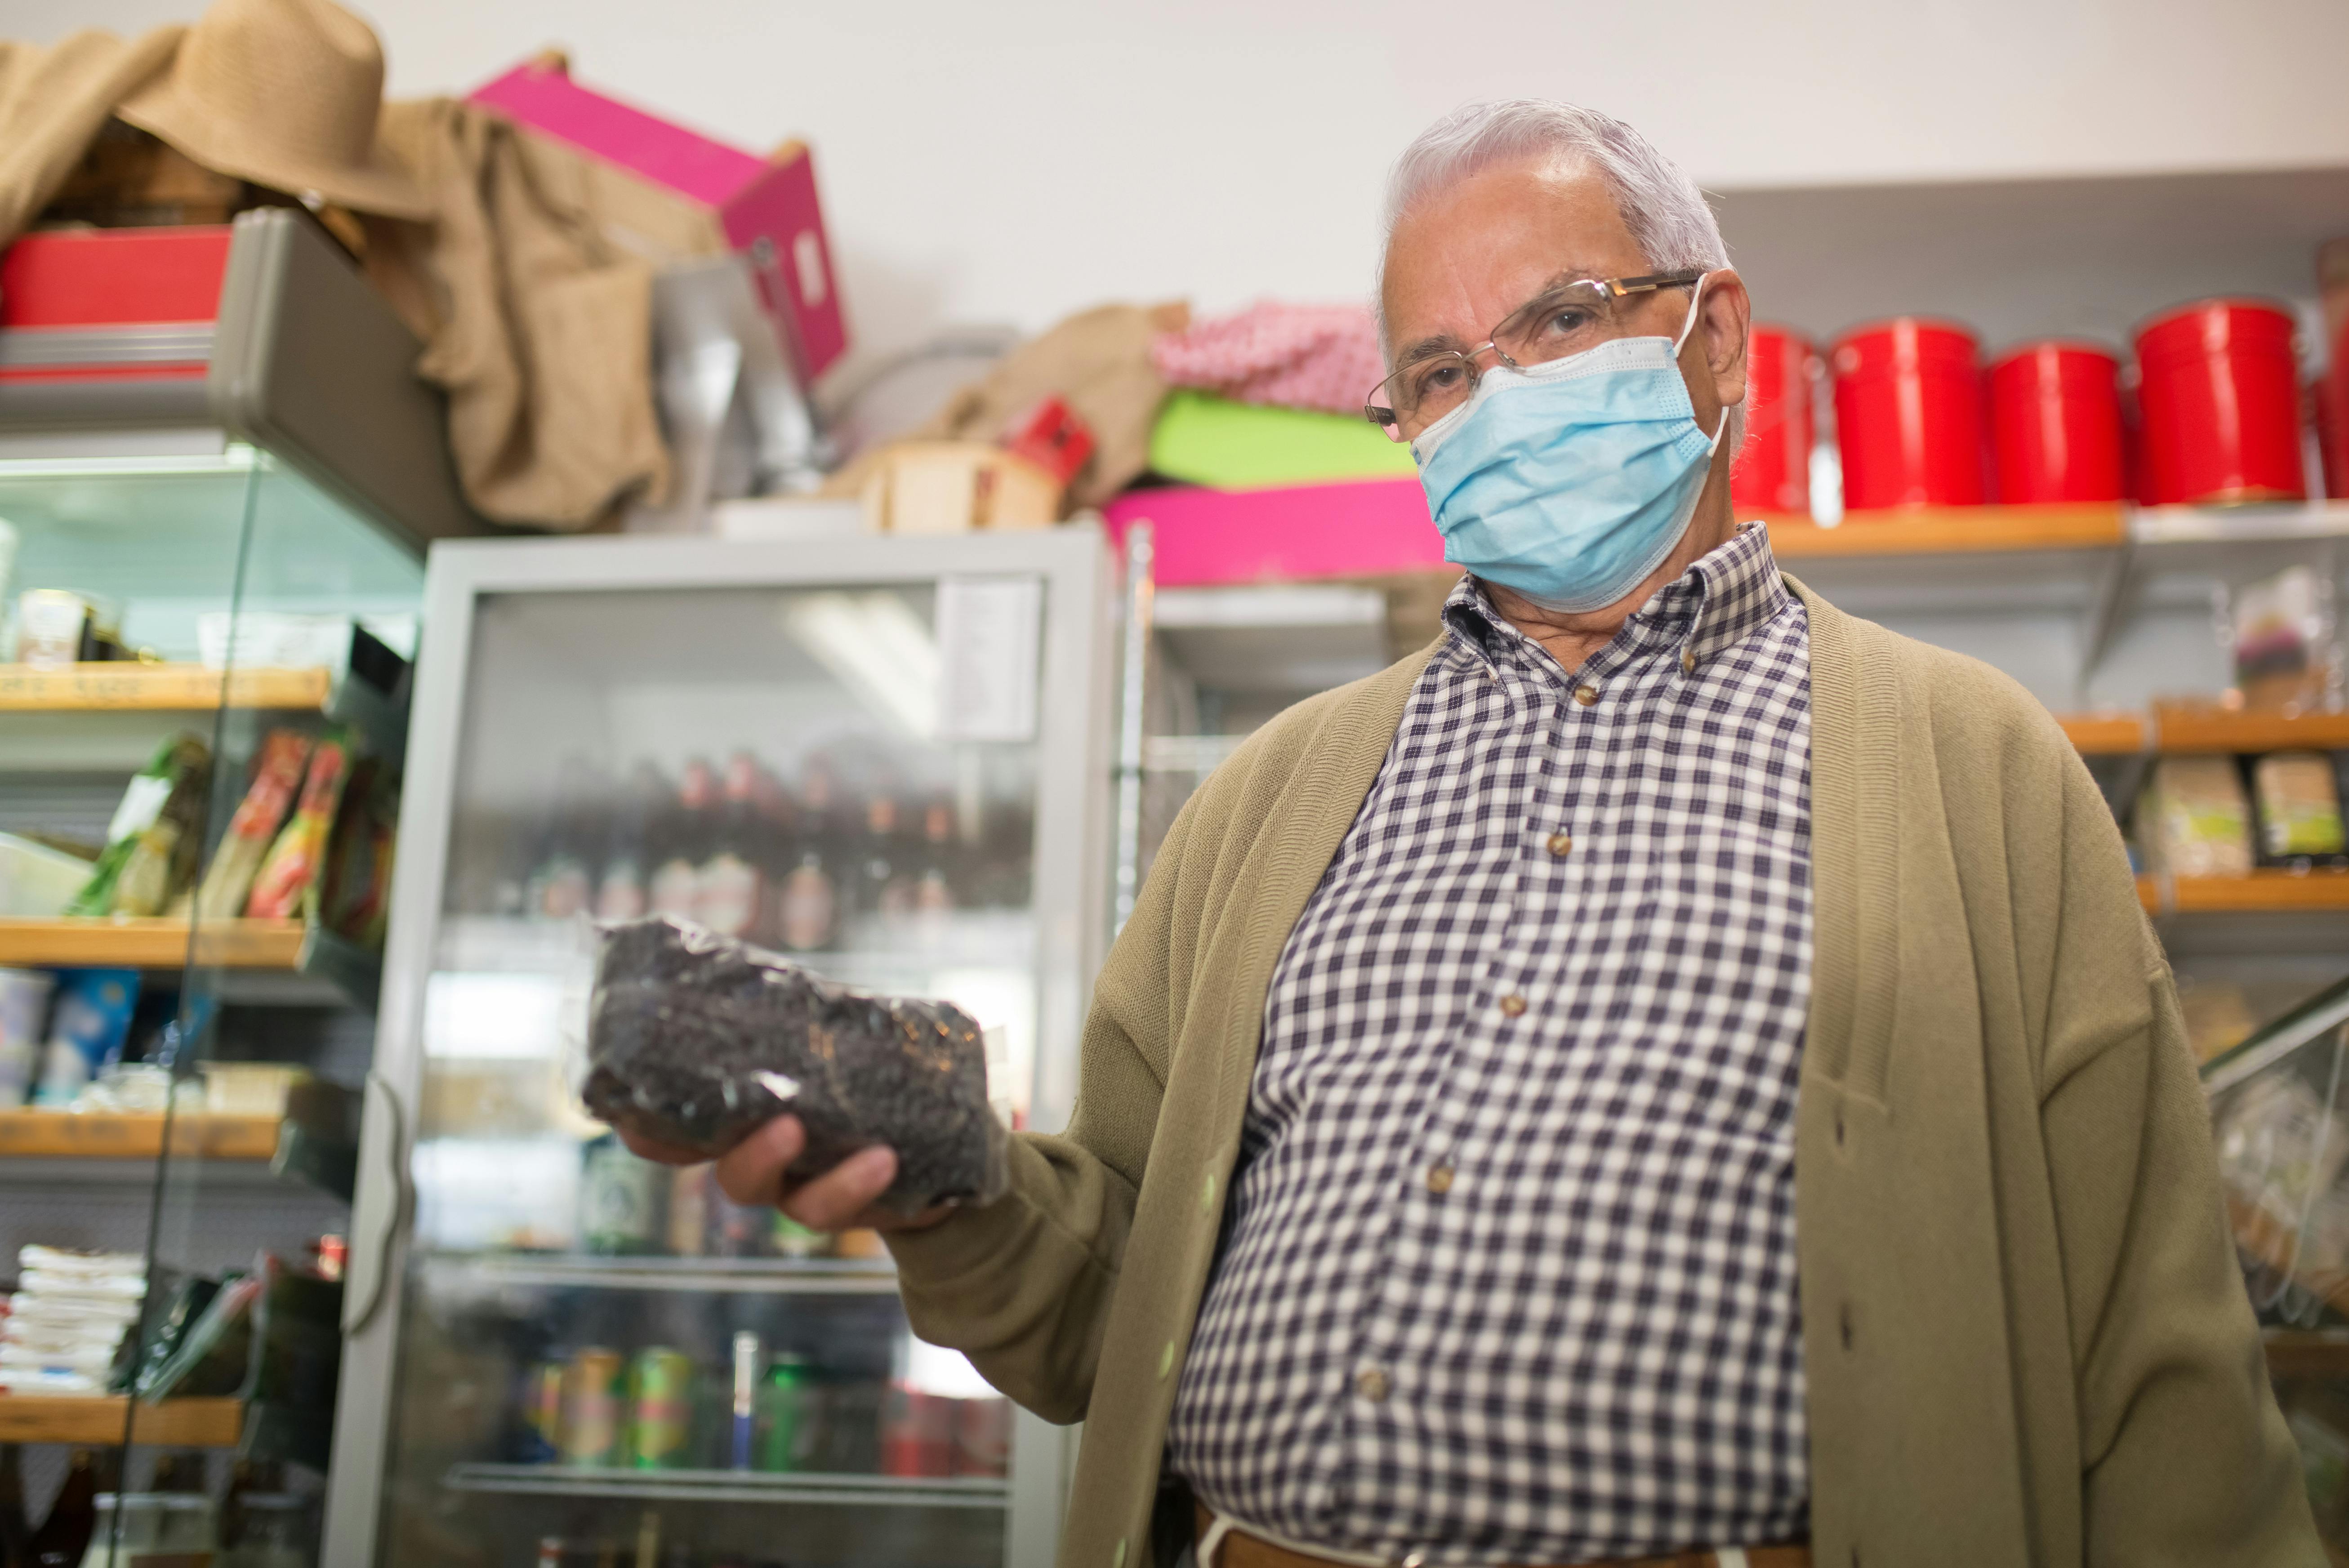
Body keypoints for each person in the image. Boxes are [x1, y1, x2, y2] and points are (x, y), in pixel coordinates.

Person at [625, 101, 2320, 1568]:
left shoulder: (1972, 771)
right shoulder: (1267, 803)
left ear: (1715, 340)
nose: (1494, 397)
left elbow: (2164, 1366)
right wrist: (942, 1192)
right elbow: (1112, 1296)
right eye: (1438, 371)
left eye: (1557, 322)